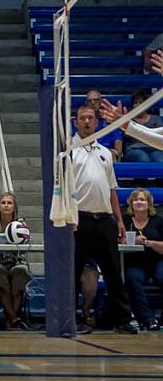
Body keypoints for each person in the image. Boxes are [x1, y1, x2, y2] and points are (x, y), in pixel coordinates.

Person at [72, 102, 138, 333]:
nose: (87, 121)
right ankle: (72, 319)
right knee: (74, 271)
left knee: (112, 272)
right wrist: (69, 218)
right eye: (83, 118)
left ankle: (122, 319)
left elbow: (112, 189)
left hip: (105, 219)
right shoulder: (69, 151)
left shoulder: (105, 153)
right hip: (79, 219)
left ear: (97, 122)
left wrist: (119, 220)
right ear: (76, 122)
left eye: (91, 118)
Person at [0, 192, 31, 329]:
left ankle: (11, 318)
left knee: (19, 276)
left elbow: (25, 240)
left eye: (9, 203)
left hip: (17, 262)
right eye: (3, 203)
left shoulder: (21, 221)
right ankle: (13, 318)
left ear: (14, 207)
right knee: (0, 277)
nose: (6, 206)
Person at [122, 188, 163, 330]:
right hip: (134, 262)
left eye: (142, 199)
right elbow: (116, 240)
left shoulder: (158, 221)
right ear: (131, 204)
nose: (139, 202)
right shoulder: (124, 220)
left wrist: (148, 243)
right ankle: (148, 319)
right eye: (136, 199)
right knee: (132, 279)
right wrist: (130, 240)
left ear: (149, 203)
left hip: (157, 261)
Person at [122, 90, 163, 162]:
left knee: (160, 159)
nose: (138, 105)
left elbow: (160, 135)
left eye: (141, 103)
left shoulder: (155, 118)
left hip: (154, 148)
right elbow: (126, 136)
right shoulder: (128, 120)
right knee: (144, 158)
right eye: (136, 103)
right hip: (134, 148)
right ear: (132, 105)